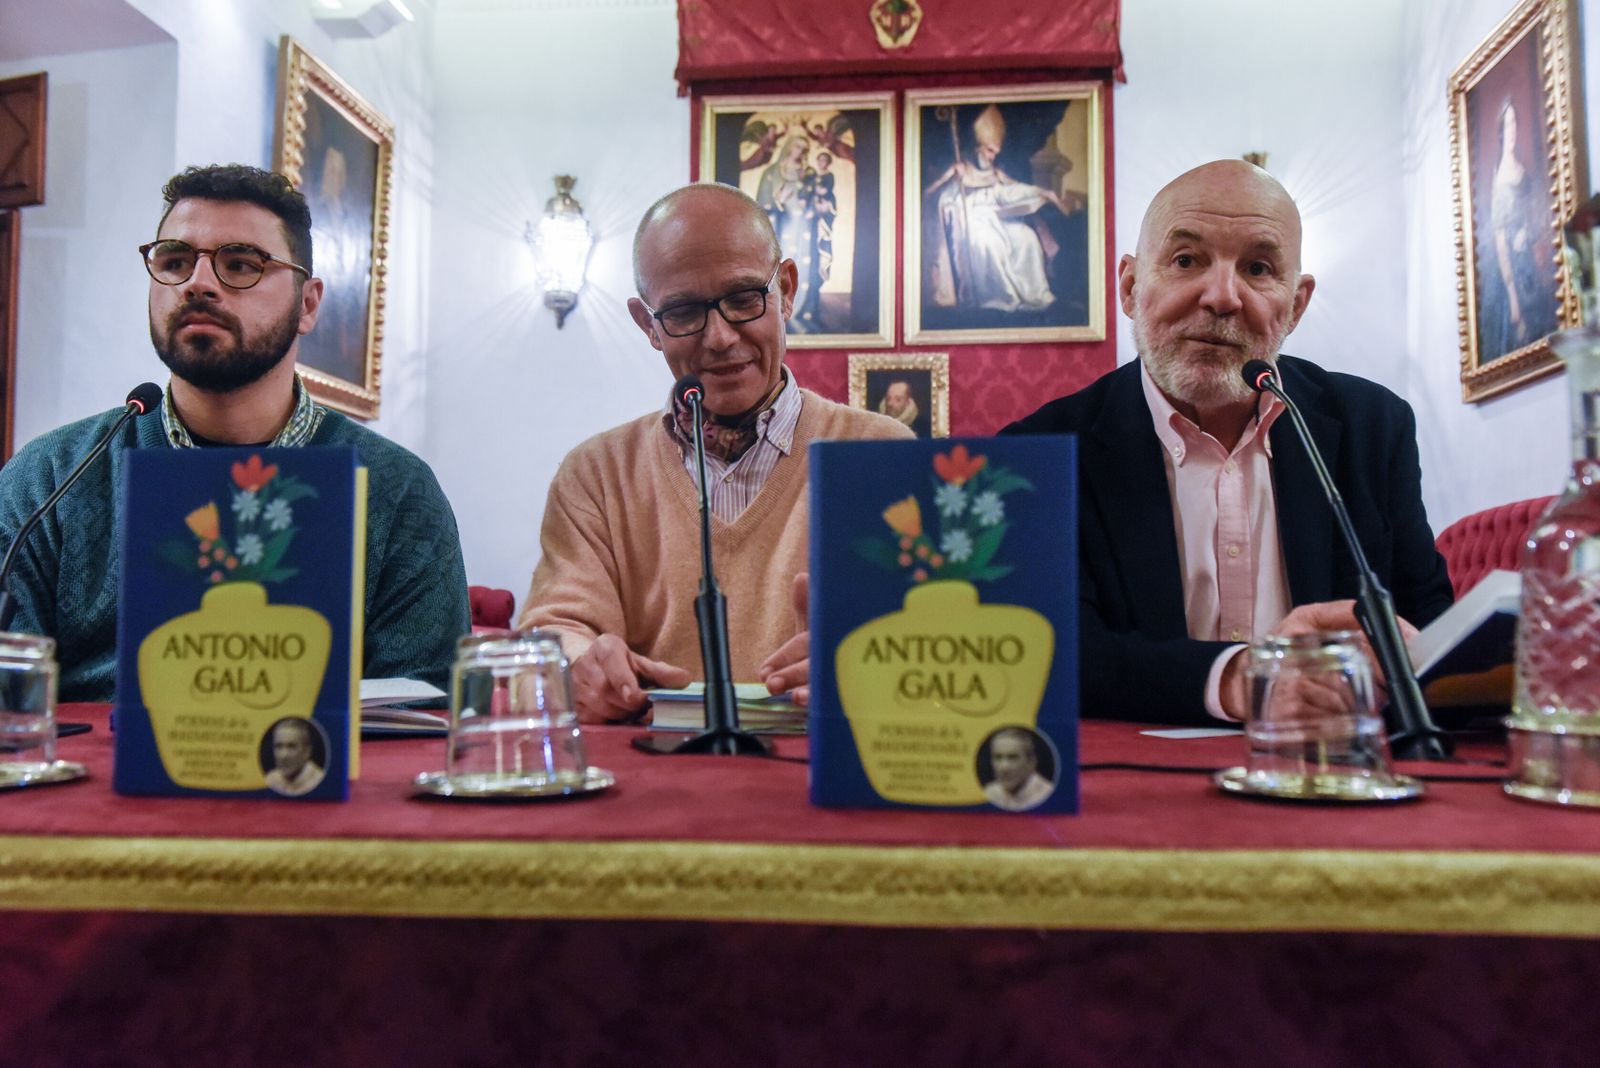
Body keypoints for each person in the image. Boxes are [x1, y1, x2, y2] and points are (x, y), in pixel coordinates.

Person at [1003, 159, 1454, 725]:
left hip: (1332, 768)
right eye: (1186, 260)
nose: (1222, 297)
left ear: (1297, 304)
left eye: (1259, 268)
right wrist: (1243, 678)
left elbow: (1426, 619)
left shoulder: (1371, 427)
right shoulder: (1042, 450)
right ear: (1129, 285)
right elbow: (1046, 649)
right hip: (1135, 786)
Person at [0, 164, 469, 701]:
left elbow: (422, 713)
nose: (198, 283)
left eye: (241, 264)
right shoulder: (52, 477)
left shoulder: (394, 488)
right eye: (175, 261)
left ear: (308, 304)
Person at [519, 182, 911, 723]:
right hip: (648, 788)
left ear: (788, 290)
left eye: (744, 298)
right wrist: (579, 665)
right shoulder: (597, 475)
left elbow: (927, 639)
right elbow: (555, 627)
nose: (721, 337)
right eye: (683, 312)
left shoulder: (880, 455)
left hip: (818, 780)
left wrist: (877, 660)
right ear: (648, 325)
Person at [925, 104, 1066, 313]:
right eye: (990, 150)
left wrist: (1043, 193)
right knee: (988, 242)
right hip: (970, 222)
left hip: (997, 219)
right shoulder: (960, 170)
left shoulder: (994, 173)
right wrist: (950, 181)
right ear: (977, 147)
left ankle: (1034, 297)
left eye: (996, 152)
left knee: (1026, 237)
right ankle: (999, 300)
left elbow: (1010, 191)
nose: (993, 156)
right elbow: (937, 197)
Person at [1478, 100, 1556, 362]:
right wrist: (1513, 299)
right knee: (1520, 335)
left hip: (1528, 264)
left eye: (1515, 123)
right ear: (1501, 131)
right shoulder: (1500, 178)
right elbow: (1500, 241)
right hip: (1511, 274)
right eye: (1507, 124)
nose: (1512, 130)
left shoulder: (1520, 167)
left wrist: (1528, 232)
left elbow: (1534, 217)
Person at [756, 135, 820, 331]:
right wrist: (778, 202)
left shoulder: (809, 172)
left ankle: (800, 312)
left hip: (805, 230)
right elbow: (759, 210)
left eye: (804, 148)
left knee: (805, 268)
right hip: (782, 229)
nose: (801, 152)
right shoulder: (771, 172)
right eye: (798, 147)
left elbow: (819, 199)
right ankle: (783, 316)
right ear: (789, 148)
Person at [982, 728, 1054, 811]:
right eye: (998, 757)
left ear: (1031, 763)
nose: (1004, 767)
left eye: (1013, 757)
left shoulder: (1046, 795)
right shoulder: (990, 793)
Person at [264, 718, 326, 796]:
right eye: (278, 746)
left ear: (307, 752)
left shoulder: (318, 781)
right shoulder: (271, 779)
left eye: (291, 747)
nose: (284, 755)